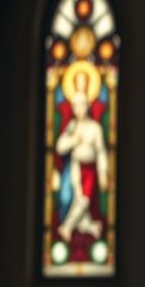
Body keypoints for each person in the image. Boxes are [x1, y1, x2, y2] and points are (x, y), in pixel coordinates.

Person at [55, 69, 108, 256]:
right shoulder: (72, 127)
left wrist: (102, 173)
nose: (79, 109)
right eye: (76, 105)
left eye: (82, 105)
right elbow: (60, 146)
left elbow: (101, 151)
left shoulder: (95, 128)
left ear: (88, 105)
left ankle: (68, 227)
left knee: (84, 200)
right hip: (76, 167)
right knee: (80, 200)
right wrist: (73, 140)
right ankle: (88, 227)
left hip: (90, 169)